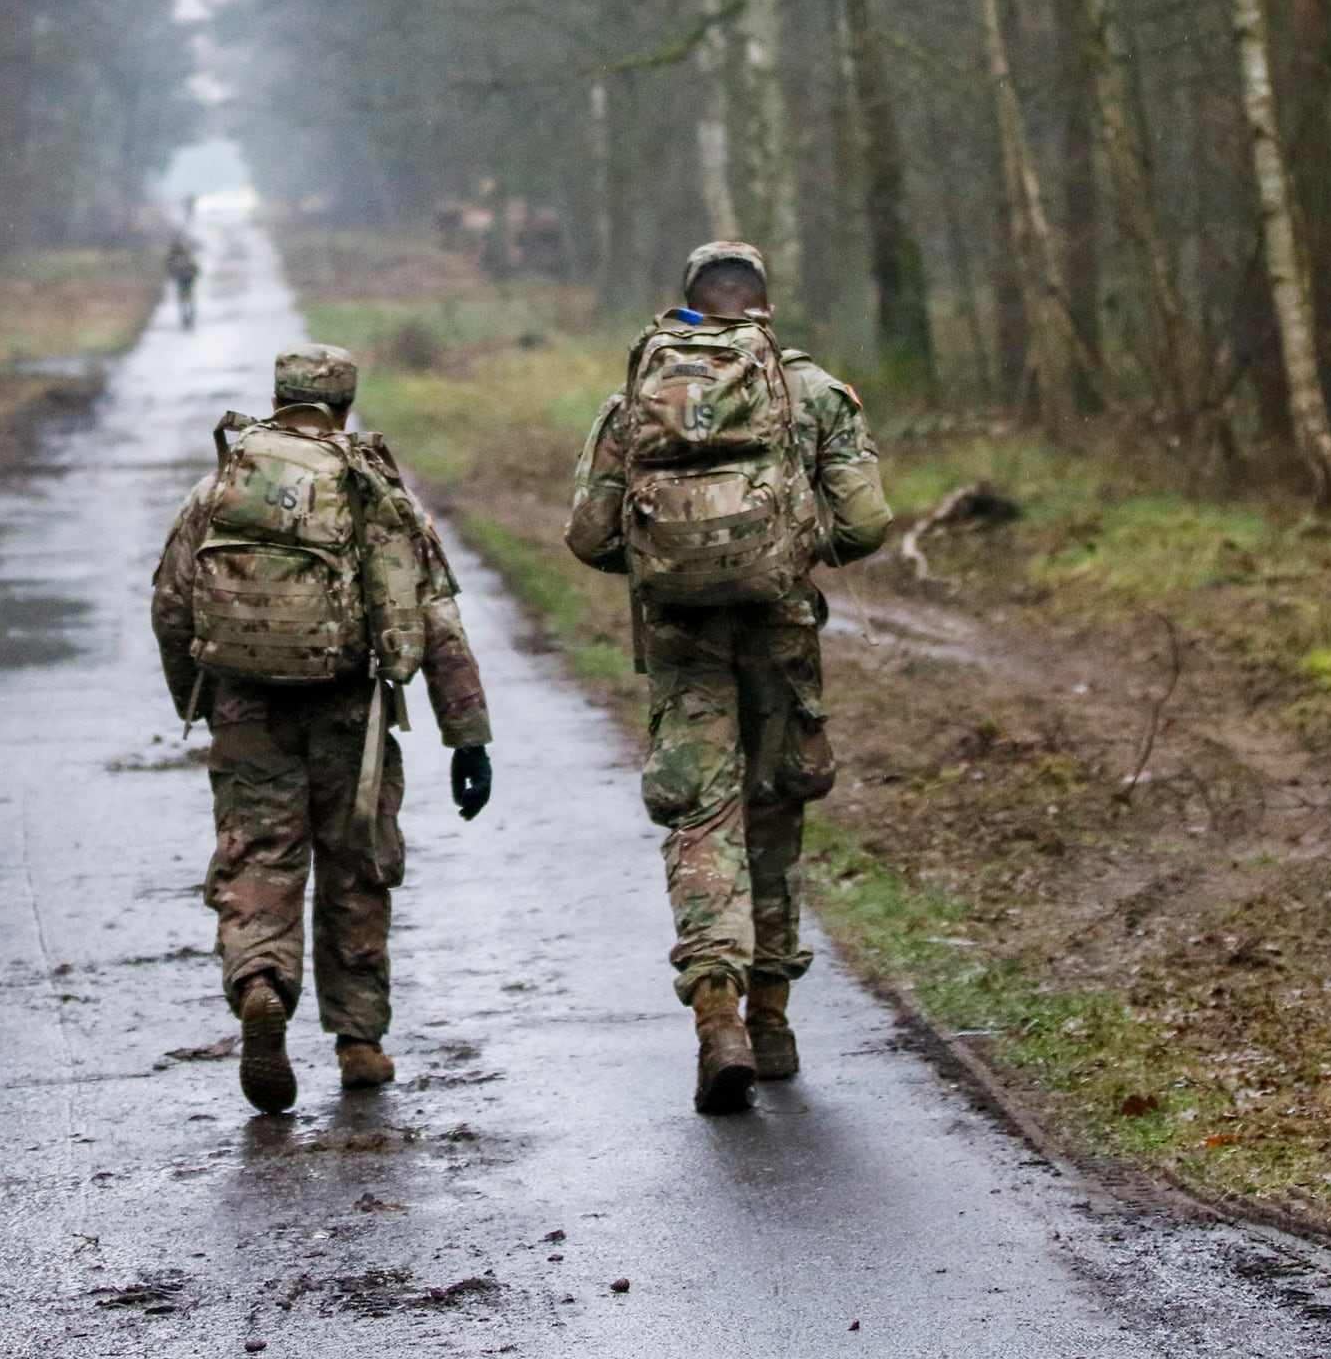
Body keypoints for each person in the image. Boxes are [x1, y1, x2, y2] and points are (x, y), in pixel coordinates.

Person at [564, 242, 893, 1114]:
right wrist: (783, 547)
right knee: (775, 809)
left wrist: (670, 560)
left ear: (690, 312)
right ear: (764, 310)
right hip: (780, 634)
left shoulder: (635, 399)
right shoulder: (811, 392)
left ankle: (717, 1014)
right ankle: (775, 1018)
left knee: (701, 818)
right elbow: (865, 525)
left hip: (682, 643)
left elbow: (591, 536)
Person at [150, 342, 493, 1112]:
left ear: (278, 400)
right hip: (352, 713)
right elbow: (434, 618)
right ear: (344, 404)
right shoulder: (372, 490)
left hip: (246, 709)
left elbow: (172, 606)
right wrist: (467, 733)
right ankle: (360, 1041)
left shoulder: (220, 490)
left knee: (256, 858)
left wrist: (200, 700)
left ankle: (263, 983)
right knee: (357, 866)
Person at [166, 233, 201, 330]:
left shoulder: (176, 255)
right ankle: (188, 316)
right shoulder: (183, 255)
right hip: (185, 279)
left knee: (185, 298)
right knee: (187, 298)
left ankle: (187, 317)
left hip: (185, 279)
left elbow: (170, 267)